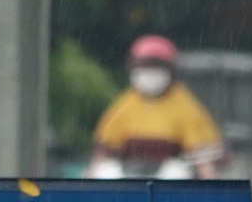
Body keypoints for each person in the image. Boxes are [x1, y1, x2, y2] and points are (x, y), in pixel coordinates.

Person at [91, 36, 227, 178]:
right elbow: (103, 151)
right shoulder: (125, 104)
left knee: (176, 172)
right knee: (107, 171)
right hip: (130, 179)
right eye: (143, 67)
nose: (149, 73)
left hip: (167, 184)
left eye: (155, 67)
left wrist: (212, 194)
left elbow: (203, 159)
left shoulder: (185, 106)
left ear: (170, 70)